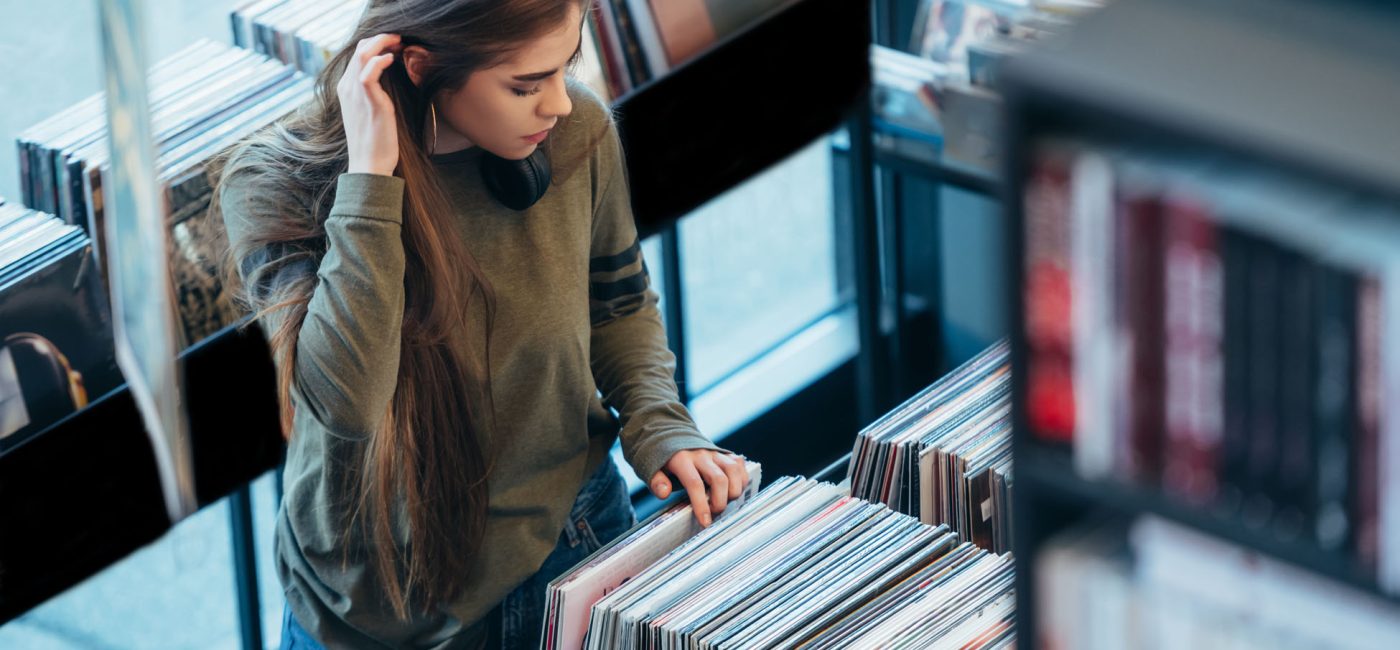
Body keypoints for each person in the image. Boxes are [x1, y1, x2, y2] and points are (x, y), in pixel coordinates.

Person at [213, 1, 750, 647]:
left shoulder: (579, 131)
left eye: (564, 68)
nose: (557, 104)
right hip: (379, 594)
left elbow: (615, 304)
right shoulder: (271, 182)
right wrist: (369, 184)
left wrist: (661, 424)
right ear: (421, 67)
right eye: (525, 85)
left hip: (572, 545)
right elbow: (346, 405)